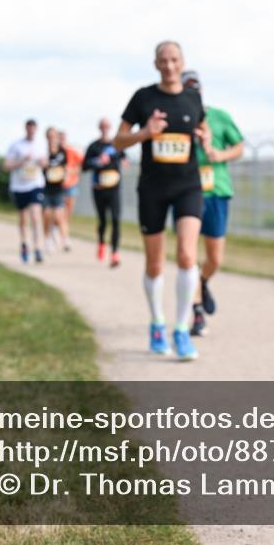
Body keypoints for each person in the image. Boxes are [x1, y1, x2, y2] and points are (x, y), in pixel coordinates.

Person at [114, 41, 209, 361]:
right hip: (153, 188)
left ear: (182, 62)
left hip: (188, 186)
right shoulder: (144, 98)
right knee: (155, 263)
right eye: (163, 61)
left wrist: (206, 138)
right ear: (156, 64)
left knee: (186, 254)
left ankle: (181, 330)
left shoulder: (193, 98)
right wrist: (145, 133)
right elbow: (118, 140)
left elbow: (202, 127)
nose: (169, 65)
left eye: (174, 60)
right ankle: (157, 323)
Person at [181, 71, 245, 337]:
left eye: (195, 88)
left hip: (216, 191)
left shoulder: (219, 117)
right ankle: (196, 311)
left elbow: (239, 146)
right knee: (189, 255)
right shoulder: (177, 120)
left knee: (215, 258)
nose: (192, 92)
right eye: (187, 88)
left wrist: (219, 154)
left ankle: (203, 282)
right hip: (186, 191)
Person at [83, 118, 127, 268]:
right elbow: (84, 166)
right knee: (103, 221)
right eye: (102, 126)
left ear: (110, 127)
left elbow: (124, 158)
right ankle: (101, 242)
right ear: (99, 128)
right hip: (99, 189)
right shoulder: (93, 146)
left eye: (107, 126)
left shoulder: (116, 145)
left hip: (114, 188)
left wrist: (124, 162)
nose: (105, 129)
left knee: (115, 220)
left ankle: (115, 253)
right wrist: (97, 161)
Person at [4, 119, 49, 264]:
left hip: (36, 184)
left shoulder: (41, 145)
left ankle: (38, 248)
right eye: (29, 128)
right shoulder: (16, 145)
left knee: (36, 215)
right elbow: (7, 165)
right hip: (19, 186)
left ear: (36, 129)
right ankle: (24, 244)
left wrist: (43, 163)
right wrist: (22, 161)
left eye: (33, 129)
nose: (31, 131)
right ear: (26, 129)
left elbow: (46, 163)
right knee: (23, 218)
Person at [42, 127, 71, 252]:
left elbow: (66, 167)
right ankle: (48, 239)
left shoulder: (62, 151)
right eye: (50, 136)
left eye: (54, 136)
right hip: (45, 188)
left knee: (59, 215)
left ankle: (65, 240)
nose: (52, 138)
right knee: (47, 215)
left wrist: (66, 176)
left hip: (58, 187)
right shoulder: (43, 152)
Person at [61, 130, 84, 223]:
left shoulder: (72, 151)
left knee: (69, 209)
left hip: (71, 183)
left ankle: (65, 228)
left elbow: (82, 165)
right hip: (58, 185)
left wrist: (72, 171)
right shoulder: (55, 152)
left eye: (63, 138)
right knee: (59, 209)